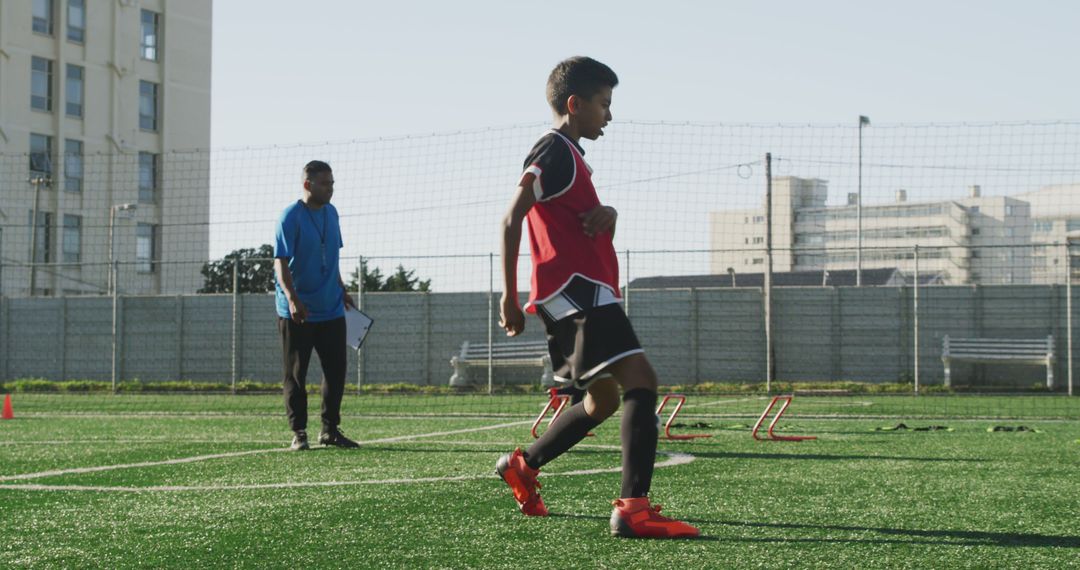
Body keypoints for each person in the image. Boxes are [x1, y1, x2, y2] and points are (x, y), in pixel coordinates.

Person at [495, 57, 699, 539]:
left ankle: (524, 464)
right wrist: (508, 295)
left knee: (601, 400)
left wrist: (608, 212)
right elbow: (511, 218)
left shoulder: (571, 158)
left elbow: (570, 219)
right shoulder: (554, 148)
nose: (609, 115)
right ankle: (634, 509)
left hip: (578, 293)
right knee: (641, 381)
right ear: (575, 104)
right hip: (579, 294)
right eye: (604, 104)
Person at [274, 160, 359, 451]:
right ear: (308, 185)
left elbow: (331, 257)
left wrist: (342, 288)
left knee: (336, 370)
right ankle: (299, 431)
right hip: (298, 310)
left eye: (332, 183)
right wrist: (292, 298)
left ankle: (330, 430)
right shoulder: (290, 216)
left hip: (331, 307)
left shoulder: (332, 214)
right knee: (296, 373)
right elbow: (280, 261)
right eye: (325, 184)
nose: (330, 189)